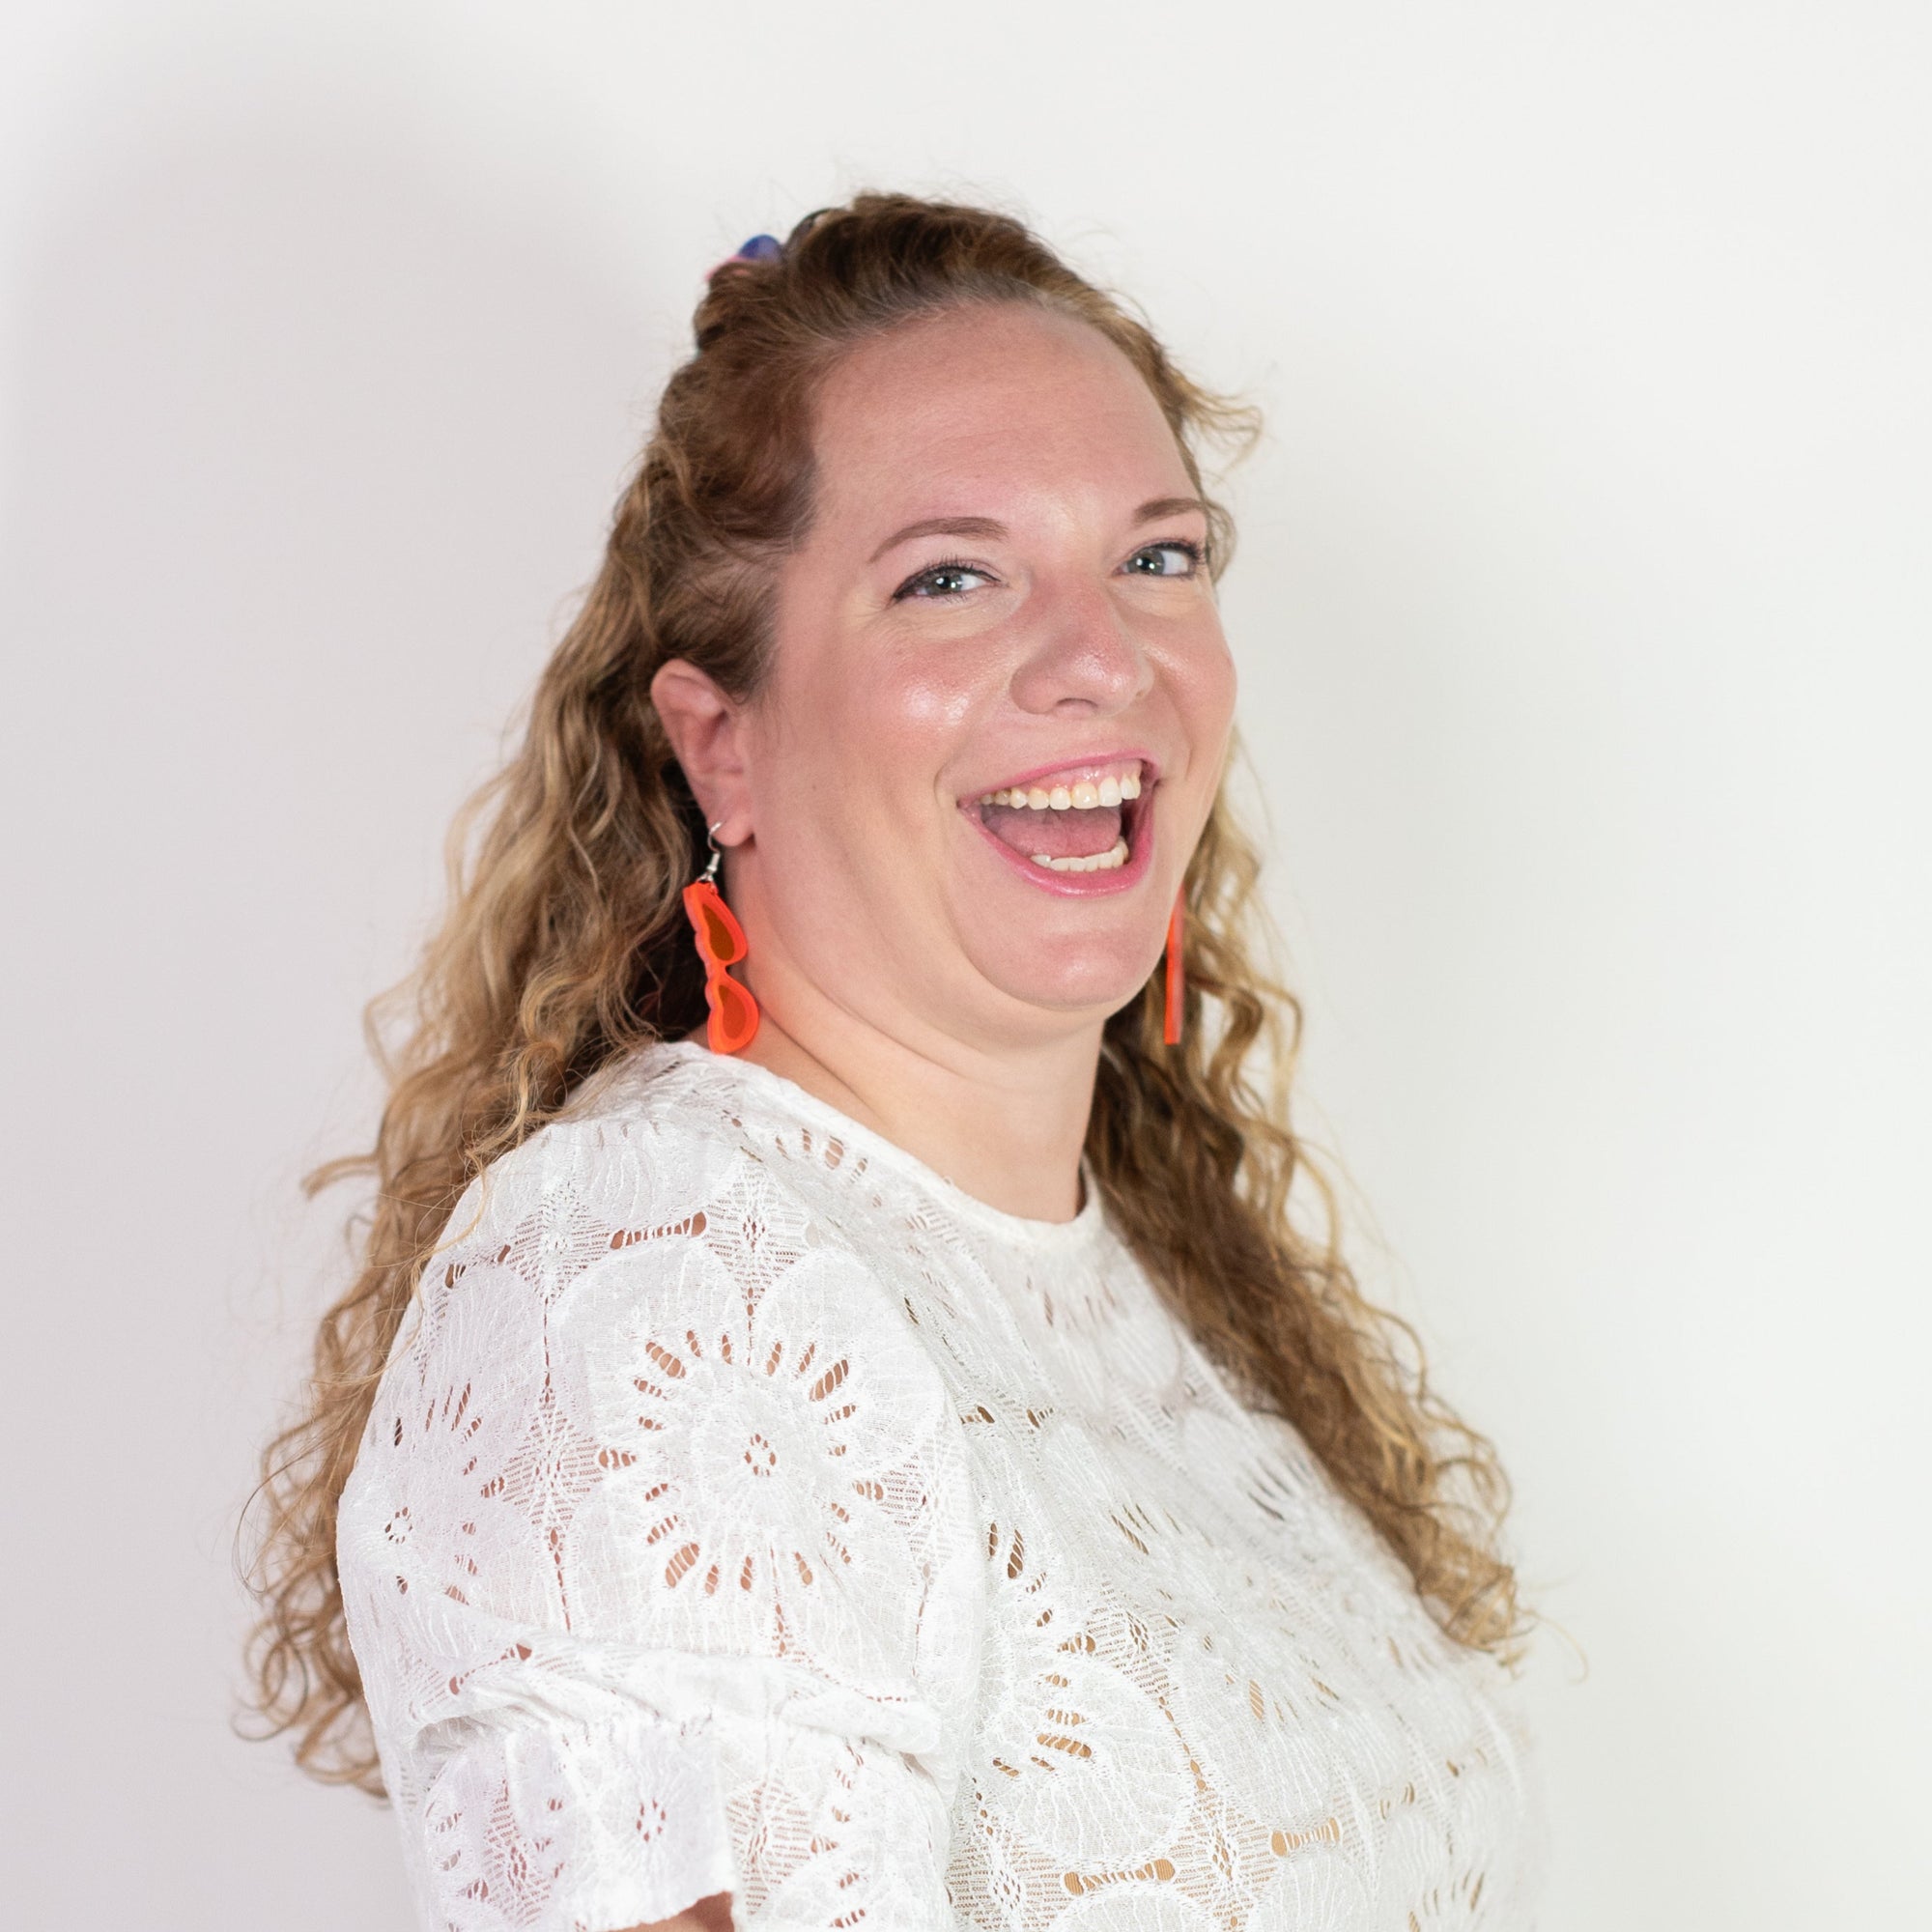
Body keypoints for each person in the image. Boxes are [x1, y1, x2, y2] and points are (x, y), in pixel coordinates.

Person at [245, 191, 1544, 1932]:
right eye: (951, 577)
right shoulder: (661, 1280)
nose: (1105, 661)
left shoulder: (1134, 1264)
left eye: (1159, 557)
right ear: (723, 747)